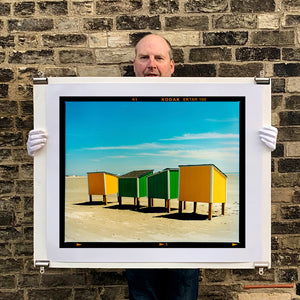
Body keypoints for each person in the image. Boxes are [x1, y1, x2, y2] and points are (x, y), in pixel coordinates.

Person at [27, 33, 278, 300]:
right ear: (134, 64)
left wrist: (259, 149)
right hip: (138, 253)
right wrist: (44, 153)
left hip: (185, 254)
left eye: (159, 58)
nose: (151, 64)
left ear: (171, 66)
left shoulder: (195, 100)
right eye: (144, 57)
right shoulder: (109, 98)